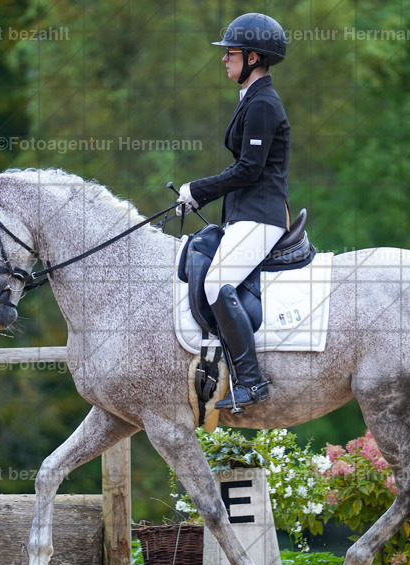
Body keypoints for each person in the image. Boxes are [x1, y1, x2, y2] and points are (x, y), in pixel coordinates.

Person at [177, 12, 290, 412]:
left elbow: (249, 169)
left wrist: (198, 190)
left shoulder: (263, 104)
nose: (224, 58)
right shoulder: (251, 100)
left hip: (263, 214)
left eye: (232, 52)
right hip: (246, 212)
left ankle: (252, 382)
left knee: (216, 283)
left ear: (254, 58)